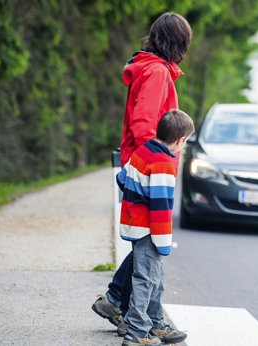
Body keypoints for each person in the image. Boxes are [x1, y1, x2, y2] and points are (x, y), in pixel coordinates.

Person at [91, 11, 192, 343]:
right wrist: (157, 161)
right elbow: (144, 125)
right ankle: (151, 321)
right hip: (148, 168)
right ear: (178, 43)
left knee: (144, 243)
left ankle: (115, 301)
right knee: (150, 245)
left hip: (140, 164)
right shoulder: (157, 73)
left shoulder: (150, 68)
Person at [117, 109, 195, 346]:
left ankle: (155, 323)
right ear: (180, 141)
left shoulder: (144, 150)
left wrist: (137, 192)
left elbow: (122, 177)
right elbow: (160, 209)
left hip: (134, 223)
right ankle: (137, 332)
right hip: (149, 230)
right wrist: (163, 243)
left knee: (155, 277)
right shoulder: (163, 164)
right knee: (145, 279)